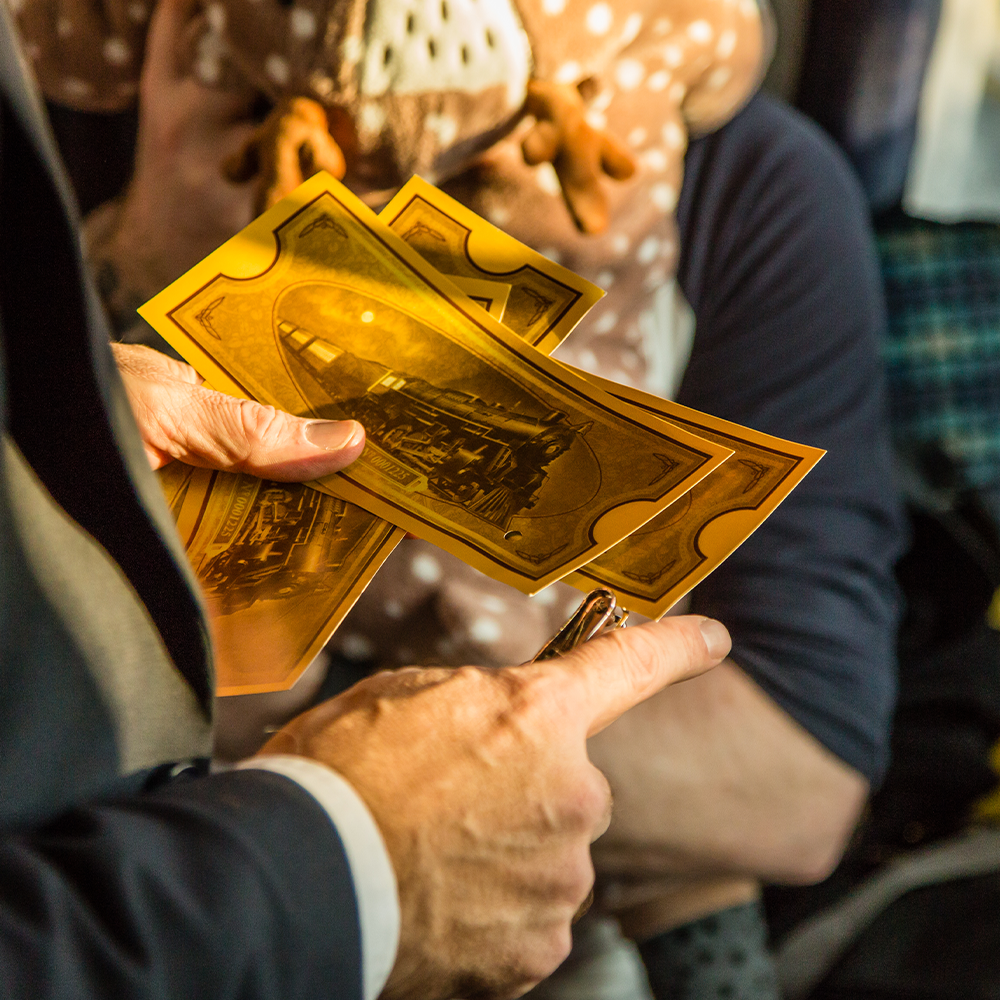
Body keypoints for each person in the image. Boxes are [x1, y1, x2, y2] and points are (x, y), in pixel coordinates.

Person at [10, 0, 906, 996]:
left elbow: (796, 783)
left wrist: (339, 788)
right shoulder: (51, 121)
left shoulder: (745, 181)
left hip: (503, 910)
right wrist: (133, 287)